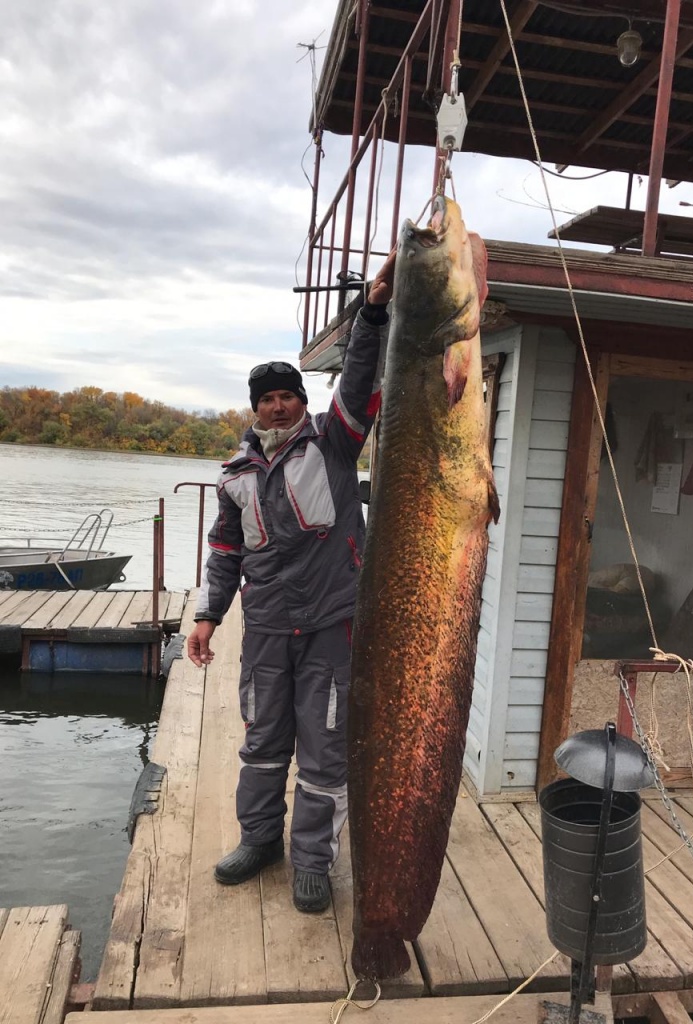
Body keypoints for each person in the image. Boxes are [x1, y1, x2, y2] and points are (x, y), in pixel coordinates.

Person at [186, 253, 394, 913]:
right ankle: (260, 841)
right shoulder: (235, 474)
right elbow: (224, 554)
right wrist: (206, 615)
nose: (279, 406)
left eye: (288, 396)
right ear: (255, 409)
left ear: (303, 402)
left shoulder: (334, 444)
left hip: (332, 627)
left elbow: (359, 379)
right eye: (268, 398)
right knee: (263, 743)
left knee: (326, 754)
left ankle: (312, 862)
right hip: (268, 632)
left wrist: (373, 313)